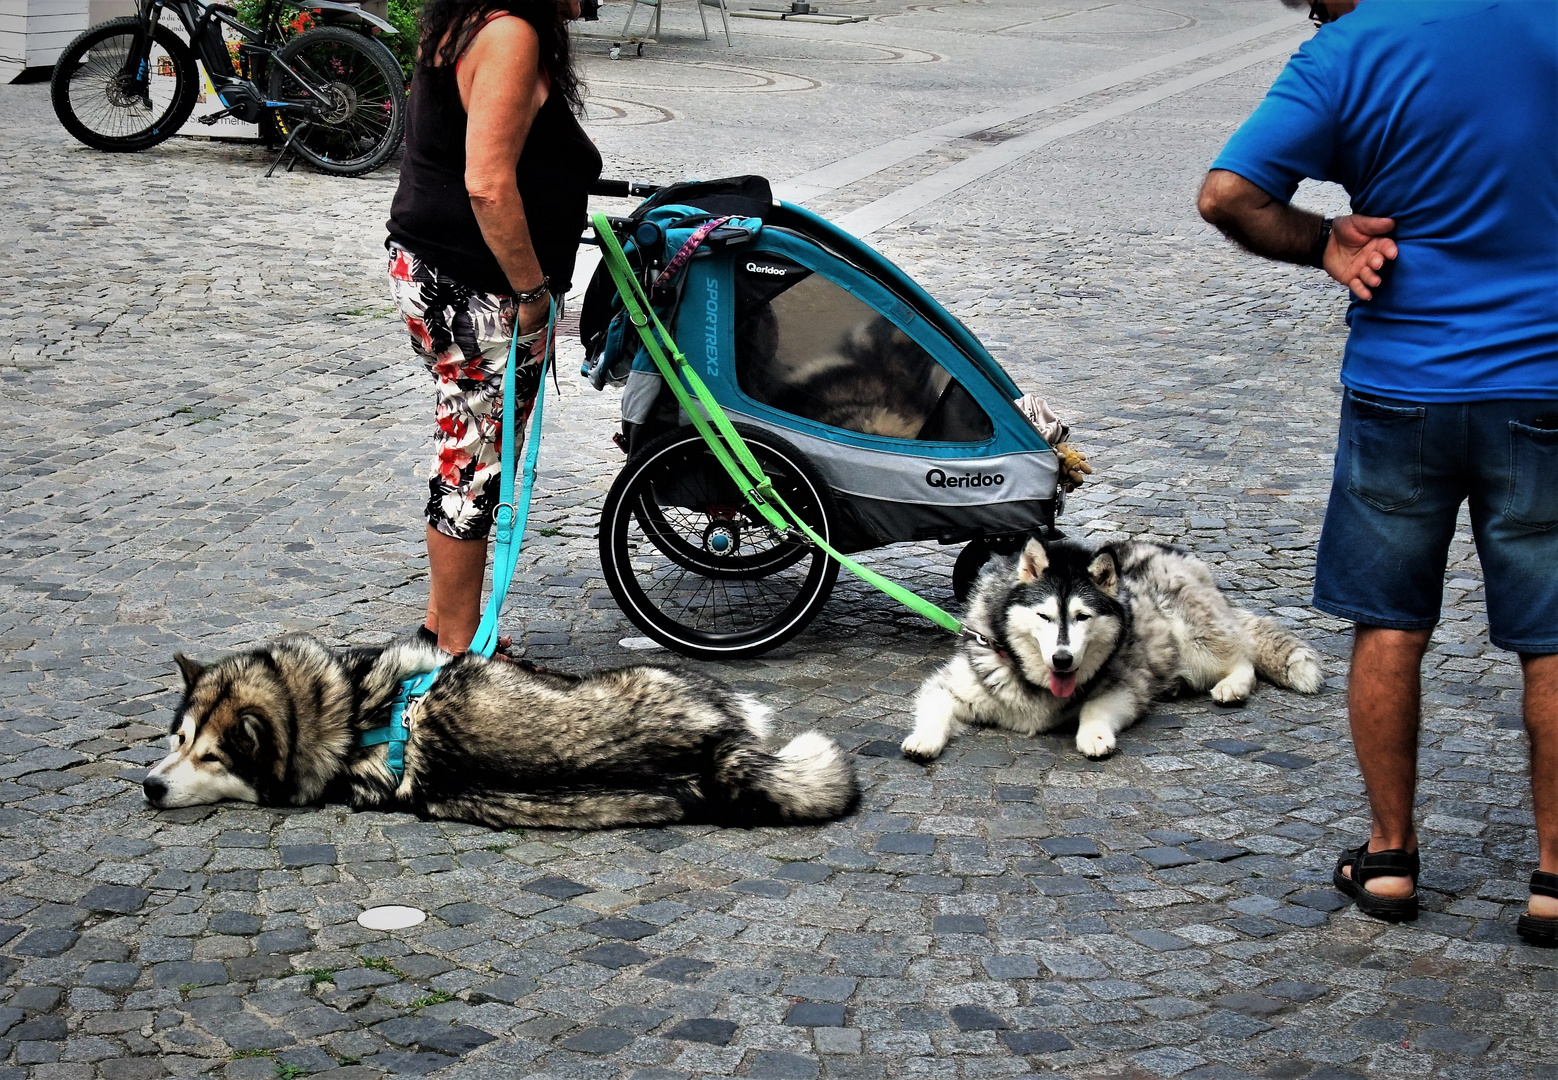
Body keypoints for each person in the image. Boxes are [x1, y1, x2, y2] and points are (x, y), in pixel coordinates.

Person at [1197, 0, 1557, 943]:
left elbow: (1227, 194)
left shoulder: (1347, 51)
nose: (1312, 12)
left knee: (1390, 622)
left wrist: (1324, 241)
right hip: (1546, 383)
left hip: (1403, 386)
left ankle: (1390, 860)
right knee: (1556, 637)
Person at [386, 0, 601, 656]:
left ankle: (441, 625)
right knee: (474, 461)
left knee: (470, 448)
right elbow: (485, 184)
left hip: (443, 271)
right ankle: (456, 649)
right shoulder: (507, 32)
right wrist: (533, 292)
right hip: (473, 286)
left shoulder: (475, 16)